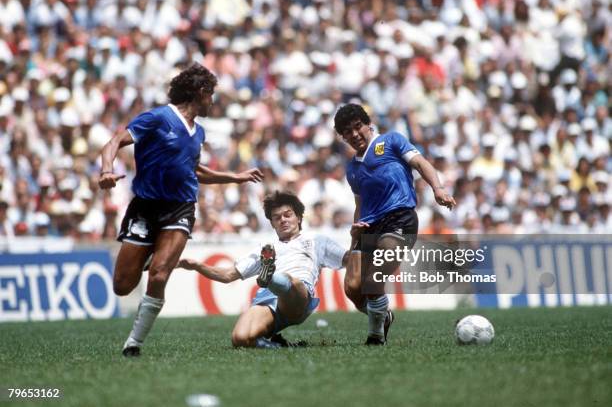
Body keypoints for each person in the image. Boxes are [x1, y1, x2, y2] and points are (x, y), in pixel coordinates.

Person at [98, 63, 263, 357]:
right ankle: (151, 255)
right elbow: (113, 141)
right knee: (122, 286)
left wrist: (234, 177)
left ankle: (133, 343)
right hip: (145, 208)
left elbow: (193, 170)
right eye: (211, 95)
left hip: (180, 208)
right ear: (200, 92)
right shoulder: (158, 118)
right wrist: (107, 170)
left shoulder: (198, 132)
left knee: (160, 275)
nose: (213, 101)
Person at [334, 103, 456, 345]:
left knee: (376, 273)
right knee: (353, 288)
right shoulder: (352, 169)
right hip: (367, 226)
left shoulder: (391, 141)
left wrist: (438, 188)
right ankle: (383, 316)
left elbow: (421, 163)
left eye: (358, 127)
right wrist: (353, 238)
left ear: (368, 124)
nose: (355, 134)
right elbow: (360, 205)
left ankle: (375, 336)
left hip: (399, 218)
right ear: (343, 137)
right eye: (348, 131)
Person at [178, 191, 349, 348]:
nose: (283, 220)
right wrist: (197, 266)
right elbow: (228, 275)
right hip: (267, 299)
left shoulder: (317, 240)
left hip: (297, 296)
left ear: (298, 217)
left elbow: (348, 259)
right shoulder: (266, 248)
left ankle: (272, 278)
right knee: (240, 338)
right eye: (277, 218)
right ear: (272, 224)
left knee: (291, 281)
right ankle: (279, 345)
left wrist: (360, 239)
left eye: (287, 215)